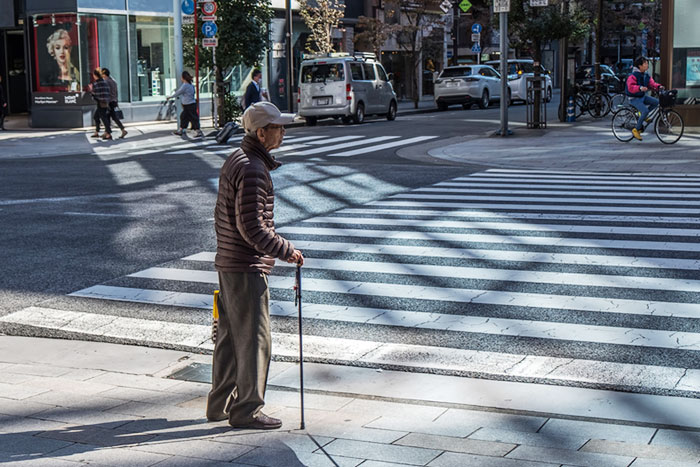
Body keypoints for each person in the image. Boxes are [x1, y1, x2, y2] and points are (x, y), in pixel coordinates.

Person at [206, 101, 304, 430]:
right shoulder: (252, 168)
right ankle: (246, 409)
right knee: (254, 341)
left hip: (230, 261)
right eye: (277, 127)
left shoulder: (239, 159)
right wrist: (286, 251)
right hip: (246, 267)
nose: (283, 132)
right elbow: (252, 226)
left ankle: (219, 403)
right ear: (262, 133)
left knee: (232, 338)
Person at [626, 56, 663, 141]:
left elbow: (652, 83)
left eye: (647, 63)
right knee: (645, 111)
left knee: (656, 102)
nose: (647, 65)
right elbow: (630, 87)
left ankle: (644, 116)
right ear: (640, 66)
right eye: (645, 63)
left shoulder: (646, 75)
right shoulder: (633, 76)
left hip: (642, 96)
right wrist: (639, 88)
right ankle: (636, 129)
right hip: (634, 98)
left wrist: (659, 86)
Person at [167, 71, 203, 138]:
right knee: (184, 117)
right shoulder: (190, 85)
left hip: (189, 105)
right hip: (190, 104)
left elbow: (179, 92)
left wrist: (170, 96)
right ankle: (182, 130)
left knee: (192, 118)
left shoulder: (185, 85)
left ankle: (197, 131)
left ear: (183, 78)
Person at [101, 68, 128, 139]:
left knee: (109, 117)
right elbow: (116, 92)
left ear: (104, 74)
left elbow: (107, 93)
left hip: (109, 102)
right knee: (111, 117)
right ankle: (108, 132)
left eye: (102, 74)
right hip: (114, 101)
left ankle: (110, 132)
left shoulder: (106, 82)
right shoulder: (113, 81)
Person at [90, 69, 112, 140]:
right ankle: (97, 131)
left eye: (93, 75)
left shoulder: (96, 84)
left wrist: (91, 90)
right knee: (97, 117)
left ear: (96, 75)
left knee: (103, 118)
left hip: (100, 103)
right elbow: (108, 92)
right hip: (105, 102)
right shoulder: (105, 82)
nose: (93, 76)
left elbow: (95, 94)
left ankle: (108, 133)